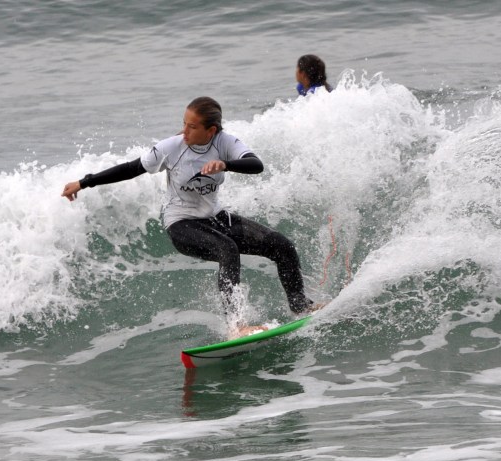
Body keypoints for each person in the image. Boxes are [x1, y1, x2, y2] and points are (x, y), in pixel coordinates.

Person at [62, 96, 317, 335]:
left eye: (192, 127)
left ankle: (300, 306)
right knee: (227, 249)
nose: (184, 131)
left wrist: (226, 164)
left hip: (215, 218)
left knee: (282, 246)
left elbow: (255, 164)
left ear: (211, 130)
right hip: (181, 224)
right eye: (184, 123)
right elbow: (131, 168)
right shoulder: (170, 148)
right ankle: (236, 326)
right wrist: (84, 182)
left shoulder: (224, 142)